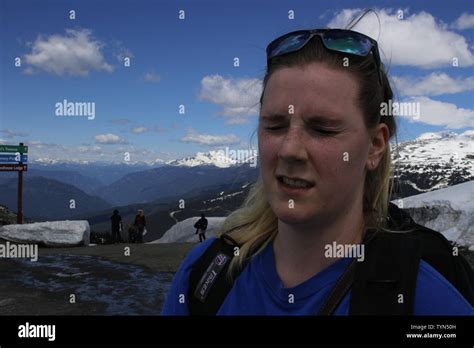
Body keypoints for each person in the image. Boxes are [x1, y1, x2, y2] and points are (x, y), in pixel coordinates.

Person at [162, 23, 473, 315]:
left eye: (323, 129)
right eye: (274, 125)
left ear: (375, 146)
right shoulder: (204, 276)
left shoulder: (428, 300)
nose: (289, 149)